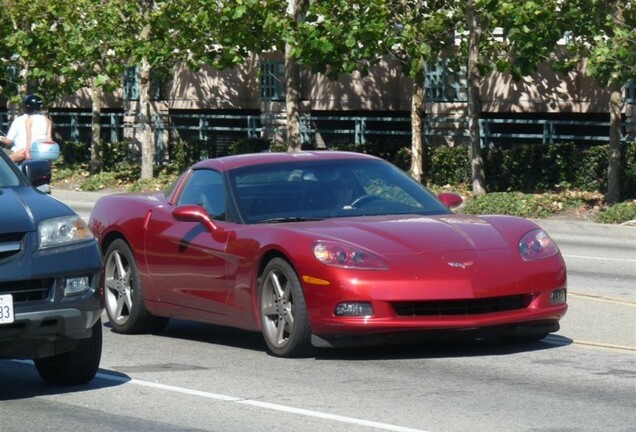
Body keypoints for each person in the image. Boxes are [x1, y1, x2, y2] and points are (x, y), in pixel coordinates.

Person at [0, 94, 53, 162]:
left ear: (26, 107)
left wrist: (0, 138)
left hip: (21, 151)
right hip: (41, 152)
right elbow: (49, 138)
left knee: (4, 162)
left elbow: (8, 141)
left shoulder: (21, 120)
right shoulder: (47, 120)